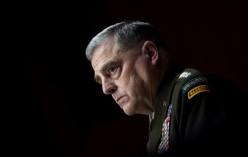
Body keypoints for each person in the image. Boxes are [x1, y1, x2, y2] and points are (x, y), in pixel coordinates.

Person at [84, 20, 248, 156]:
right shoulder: (158, 114)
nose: (106, 89)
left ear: (150, 53)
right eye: (100, 80)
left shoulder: (191, 93)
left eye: (112, 70)